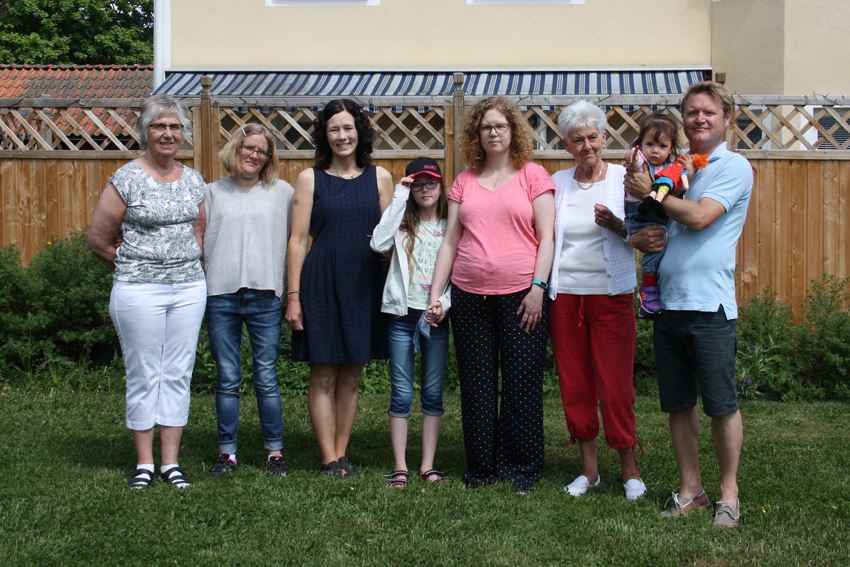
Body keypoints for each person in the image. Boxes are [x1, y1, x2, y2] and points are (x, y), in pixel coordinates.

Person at [626, 81, 753, 527]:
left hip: (710, 304)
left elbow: (699, 217)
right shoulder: (677, 167)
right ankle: (691, 489)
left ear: (726, 119)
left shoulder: (733, 166)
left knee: (721, 404)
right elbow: (653, 223)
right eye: (692, 112)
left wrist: (652, 194)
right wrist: (638, 232)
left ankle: (729, 494)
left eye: (709, 112)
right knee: (678, 404)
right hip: (668, 303)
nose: (699, 119)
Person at [428, 97, 555, 494]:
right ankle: (481, 467)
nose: (494, 132)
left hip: (522, 296)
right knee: (477, 385)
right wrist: (436, 294)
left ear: (513, 131)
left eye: (501, 125)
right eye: (486, 127)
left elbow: (548, 238)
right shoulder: (464, 181)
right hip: (469, 296)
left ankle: (522, 467)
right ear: (476, 135)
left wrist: (538, 289)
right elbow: (450, 242)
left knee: (521, 384)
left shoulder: (533, 175)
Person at [87, 94, 206, 490]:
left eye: (174, 127)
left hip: (188, 289)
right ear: (145, 132)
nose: (167, 133)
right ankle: (144, 462)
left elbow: (199, 230)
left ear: (183, 133)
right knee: (144, 373)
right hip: (139, 291)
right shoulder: (126, 179)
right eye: (159, 126)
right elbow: (99, 240)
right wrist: (134, 266)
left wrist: (182, 261)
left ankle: (171, 462)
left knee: (178, 372)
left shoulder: (193, 180)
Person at [285, 99, 393, 479]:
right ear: (324, 135)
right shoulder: (309, 179)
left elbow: (390, 235)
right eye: (334, 129)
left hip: (365, 284)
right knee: (324, 374)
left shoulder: (380, 178)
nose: (342, 136)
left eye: (348, 128)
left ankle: (342, 452)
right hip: (322, 282)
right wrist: (293, 296)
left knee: (352, 375)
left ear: (359, 132)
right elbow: (298, 240)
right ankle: (328, 456)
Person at [547, 100, 647, 501]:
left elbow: (646, 232)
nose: (586, 145)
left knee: (616, 387)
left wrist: (618, 225)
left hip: (611, 295)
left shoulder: (624, 178)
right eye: (577, 140)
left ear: (604, 138)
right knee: (575, 384)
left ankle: (629, 469)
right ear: (567, 145)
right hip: (566, 296)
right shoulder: (557, 182)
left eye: (592, 137)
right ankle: (589, 470)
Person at [201, 124, 294, 479]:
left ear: (269, 158)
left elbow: (298, 240)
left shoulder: (282, 193)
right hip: (221, 293)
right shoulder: (212, 192)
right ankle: (227, 453)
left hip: (265, 294)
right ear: (235, 149)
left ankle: (274, 452)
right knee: (227, 377)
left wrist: (293, 291)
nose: (253, 154)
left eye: (261, 151)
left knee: (266, 377)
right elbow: (196, 238)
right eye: (248, 147)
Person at [370, 157, 451, 488]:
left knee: (432, 393)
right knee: (401, 393)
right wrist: (399, 197)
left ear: (441, 186)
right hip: (403, 318)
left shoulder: (450, 226)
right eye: (417, 185)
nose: (425, 190)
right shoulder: (402, 225)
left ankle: (427, 465)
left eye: (431, 183)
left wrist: (443, 304)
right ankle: (400, 466)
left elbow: (459, 273)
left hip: (436, 320)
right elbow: (377, 242)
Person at [623, 113, 680, 317]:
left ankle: (653, 287)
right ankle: (647, 289)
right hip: (639, 216)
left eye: (662, 146)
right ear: (640, 145)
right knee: (654, 249)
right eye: (650, 144)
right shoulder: (641, 163)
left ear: (671, 148)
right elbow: (634, 160)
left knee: (662, 249)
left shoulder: (671, 167)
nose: (655, 150)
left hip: (660, 215)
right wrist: (633, 156)